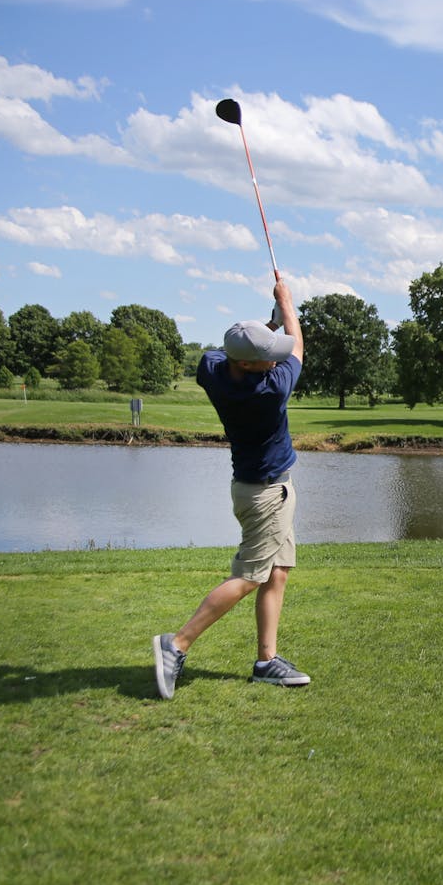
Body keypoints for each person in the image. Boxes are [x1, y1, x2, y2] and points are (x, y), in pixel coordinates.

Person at [152, 278, 308, 699]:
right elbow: (296, 346)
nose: (274, 362)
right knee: (249, 577)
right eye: (265, 359)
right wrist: (286, 304)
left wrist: (266, 326)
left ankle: (266, 661)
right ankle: (177, 644)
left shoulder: (213, 370)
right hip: (266, 496)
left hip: (256, 489)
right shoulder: (270, 390)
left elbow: (244, 346)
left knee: (278, 571)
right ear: (250, 366)